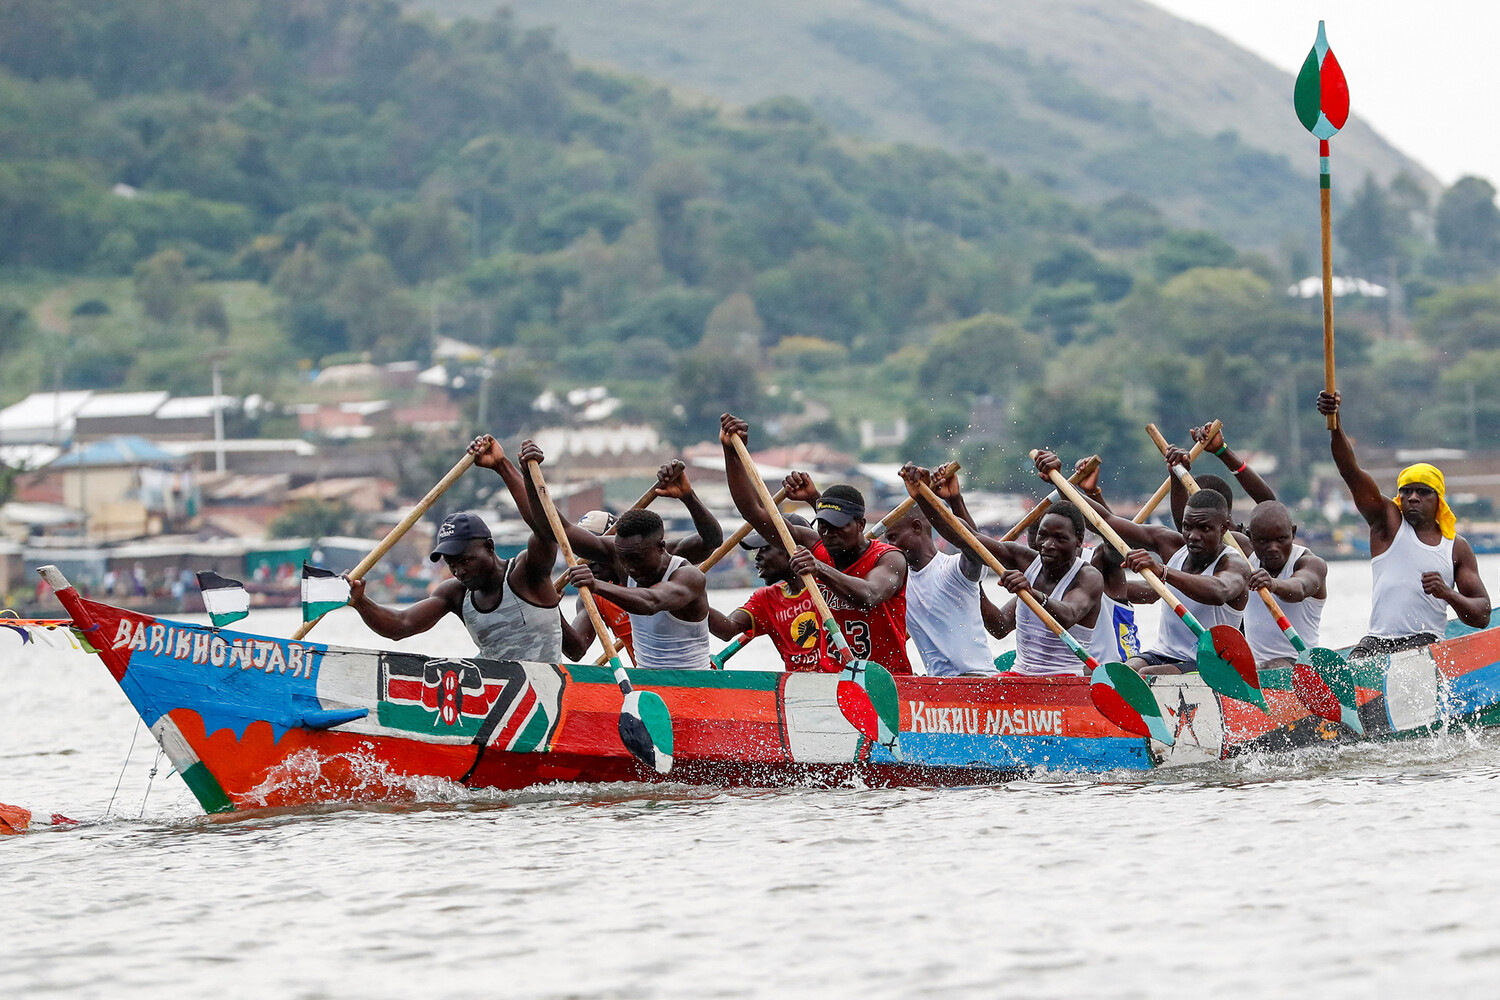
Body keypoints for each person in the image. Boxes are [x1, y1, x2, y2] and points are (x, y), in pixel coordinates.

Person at [720, 413, 913, 674]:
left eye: (838, 525)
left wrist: (819, 568)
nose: (828, 533)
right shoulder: (817, 545)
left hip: (888, 681)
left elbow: (869, 596)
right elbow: (755, 513)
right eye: (823, 525)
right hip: (831, 683)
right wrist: (732, 452)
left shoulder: (890, 559)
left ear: (860, 525)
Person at [1034, 449, 1251, 675]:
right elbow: (1105, 522)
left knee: (1144, 676)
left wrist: (1163, 572)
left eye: (1204, 529)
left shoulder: (1234, 564)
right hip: (1162, 653)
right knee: (1123, 672)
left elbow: (1219, 591)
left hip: (1213, 663)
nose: (1193, 536)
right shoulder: (1171, 545)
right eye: (1187, 527)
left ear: (1224, 528)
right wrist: (1060, 482)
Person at [347, 435, 563, 661]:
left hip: (549, 691)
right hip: (495, 694)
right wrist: (360, 602)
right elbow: (402, 625)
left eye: (465, 560)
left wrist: (502, 466)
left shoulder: (527, 573)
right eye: (451, 564)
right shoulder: (455, 593)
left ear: (489, 547)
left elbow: (544, 528)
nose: (459, 571)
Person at [1317, 390, 1491, 655]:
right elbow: (1350, 471)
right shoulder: (1387, 524)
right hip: (1377, 641)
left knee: (1413, 657)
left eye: (1422, 492)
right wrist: (1335, 421)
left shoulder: (1456, 548)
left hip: (1425, 641)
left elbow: (1482, 616)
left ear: (1439, 500)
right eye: (1406, 492)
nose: (1412, 498)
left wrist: (1447, 593)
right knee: (1356, 662)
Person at [907, 464, 1101, 677]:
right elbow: (969, 540)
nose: (1048, 544)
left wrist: (1032, 593)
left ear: (1079, 541)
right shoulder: (1025, 560)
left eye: (1060, 538)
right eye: (1043, 536)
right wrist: (926, 497)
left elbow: (1068, 615)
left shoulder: (1088, 577)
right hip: (1018, 677)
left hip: (1066, 680)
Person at [540, 444, 713, 670]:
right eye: (586, 555)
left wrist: (688, 497)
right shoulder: (593, 596)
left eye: (596, 556)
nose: (589, 564)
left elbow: (711, 541)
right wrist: (551, 608)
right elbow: (575, 650)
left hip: (693, 679)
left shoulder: (674, 567)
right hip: (647, 682)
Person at [887, 466, 998, 676]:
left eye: (893, 538)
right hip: (936, 687)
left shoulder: (952, 570)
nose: (889, 546)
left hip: (977, 679)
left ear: (917, 528)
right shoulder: (897, 583)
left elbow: (974, 547)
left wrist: (954, 500)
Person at [708, 514, 834, 672]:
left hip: (840, 682)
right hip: (798, 688)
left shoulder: (830, 581)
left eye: (765, 548)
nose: (758, 556)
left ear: (792, 550)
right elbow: (727, 630)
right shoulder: (766, 599)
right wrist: (696, 599)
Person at [1241, 500, 1328, 668]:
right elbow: (1193, 527)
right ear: (1250, 537)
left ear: (1293, 533)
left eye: (1281, 539)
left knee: (1272, 665)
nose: (1273, 548)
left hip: (1298, 664)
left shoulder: (1311, 564)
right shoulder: (1244, 554)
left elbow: (1300, 588)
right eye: (1263, 541)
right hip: (1255, 666)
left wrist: (1273, 584)